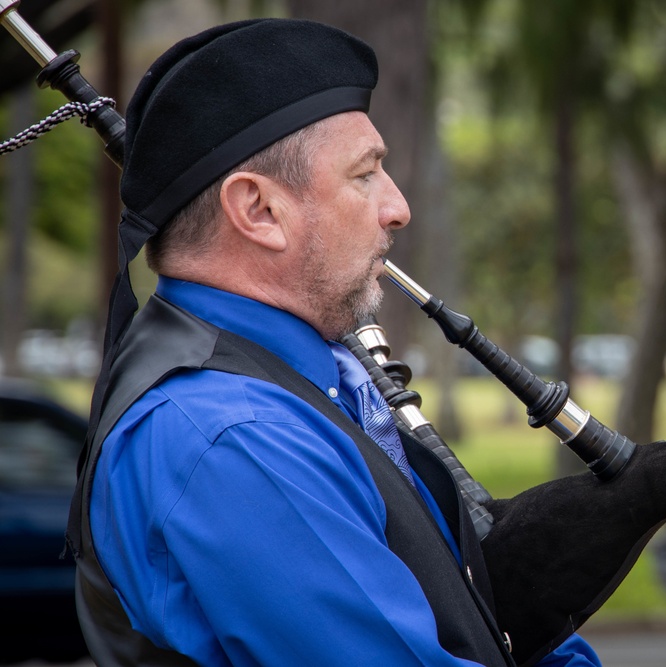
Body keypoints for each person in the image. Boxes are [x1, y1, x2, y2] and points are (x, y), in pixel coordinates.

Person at [65, 18, 601, 666]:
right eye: (365, 174)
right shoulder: (233, 435)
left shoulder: (307, 378)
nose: (397, 207)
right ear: (259, 211)